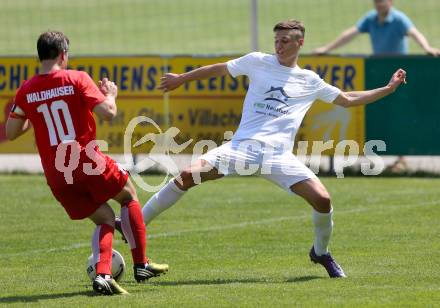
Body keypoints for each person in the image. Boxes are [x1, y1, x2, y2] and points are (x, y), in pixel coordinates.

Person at [140, 20, 406, 278]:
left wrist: (388, 88)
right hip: (241, 148)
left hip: (278, 157)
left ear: (300, 43)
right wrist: (182, 79)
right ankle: (136, 223)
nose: (279, 46)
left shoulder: (309, 80)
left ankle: (321, 252)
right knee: (187, 175)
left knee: (323, 200)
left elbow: (347, 99)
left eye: (285, 41)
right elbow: (219, 69)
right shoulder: (258, 61)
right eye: (276, 40)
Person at [5, 31, 168, 295]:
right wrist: (111, 94)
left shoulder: (26, 89)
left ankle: (103, 275)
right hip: (85, 160)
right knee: (128, 194)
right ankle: (142, 264)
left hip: (57, 175)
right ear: (63, 54)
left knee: (104, 217)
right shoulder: (76, 78)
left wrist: (34, 110)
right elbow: (108, 113)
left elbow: (11, 132)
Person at [313, 0, 440, 56]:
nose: (378, 4)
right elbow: (350, 34)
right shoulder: (370, 18)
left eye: (382, 1)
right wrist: (326, 48)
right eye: (376, 1)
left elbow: (414, 33)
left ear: (391, 1)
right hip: (378, 64)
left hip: (399, 67)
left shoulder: (399, 18)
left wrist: (426, 48)